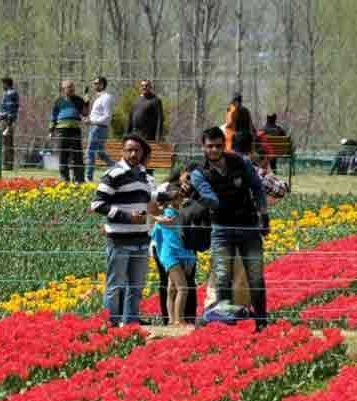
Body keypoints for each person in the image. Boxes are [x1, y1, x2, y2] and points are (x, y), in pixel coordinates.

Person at [191, 127, 270, 330]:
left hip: (249, 225)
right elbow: (213, 201)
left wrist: (264, 215)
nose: (215, 150)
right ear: (203, 147)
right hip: (222, 228)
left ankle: (262, 323)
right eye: (210, 146)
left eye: (218, 145)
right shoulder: (199, 173)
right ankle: (226, 324)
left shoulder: (240, 162)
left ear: (224, 144)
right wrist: (198, 197)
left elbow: (258, 188)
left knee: (255, 276)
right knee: (222, 276)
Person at [90, 133, 166, 326]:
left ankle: (131, 324)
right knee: (115, 286)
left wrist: (159, 213)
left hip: (141, 239)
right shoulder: (113, 175)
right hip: (119, 240)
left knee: (137, 286)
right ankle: (111, 324)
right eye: (129, 150)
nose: (133, 154)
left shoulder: (143, 176)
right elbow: (97, 204)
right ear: (122, 152)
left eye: (137, 150)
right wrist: (126, 216)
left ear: (142, 152)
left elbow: (149, 202)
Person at [151, 184, 197, 326]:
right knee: (183, 288)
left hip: (176, 254)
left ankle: (172, 320)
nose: (182, 199)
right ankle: (179, 320)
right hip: (171, 255)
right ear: (171, 201)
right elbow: (161, 231)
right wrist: (155, 217)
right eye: (179, 197)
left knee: (172, 289)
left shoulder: (176, 214)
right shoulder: (169, 216)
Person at [49, 80, 88, 183]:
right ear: (63, 89)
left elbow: (85, 113)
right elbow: (53, 116)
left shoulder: (79, 100)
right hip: (61, 130)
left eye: (72, 86)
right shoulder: (58, 101)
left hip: (75, 130)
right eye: (69, 87)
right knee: (63, 155)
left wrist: (86, 102)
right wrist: (51, 130)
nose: (71, 89)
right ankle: (65, 178)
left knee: (77, 155)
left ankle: (79, 179)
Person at [84, 76, 115, 181]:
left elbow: (107, 116)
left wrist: (92, 121)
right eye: (94, 83)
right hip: (95, 127)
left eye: (96, 83)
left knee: (90, 152)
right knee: (100, 153)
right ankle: (117, 168)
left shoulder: (106, 97)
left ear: (102, 84)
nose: (94, 85)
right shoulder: (98, 98)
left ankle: (88, 178)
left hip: (98, 128)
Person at [0, 77, 20, 170]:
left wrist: (8, 125)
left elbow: (11, 110)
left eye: (3, 84)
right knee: (6, 143)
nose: (2, 86)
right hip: (5, 120)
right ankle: (7, 164)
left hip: (7, 121)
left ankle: (7, 165)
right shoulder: (8, 93)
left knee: (7, 143)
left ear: (7, 84)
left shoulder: (11, 94)